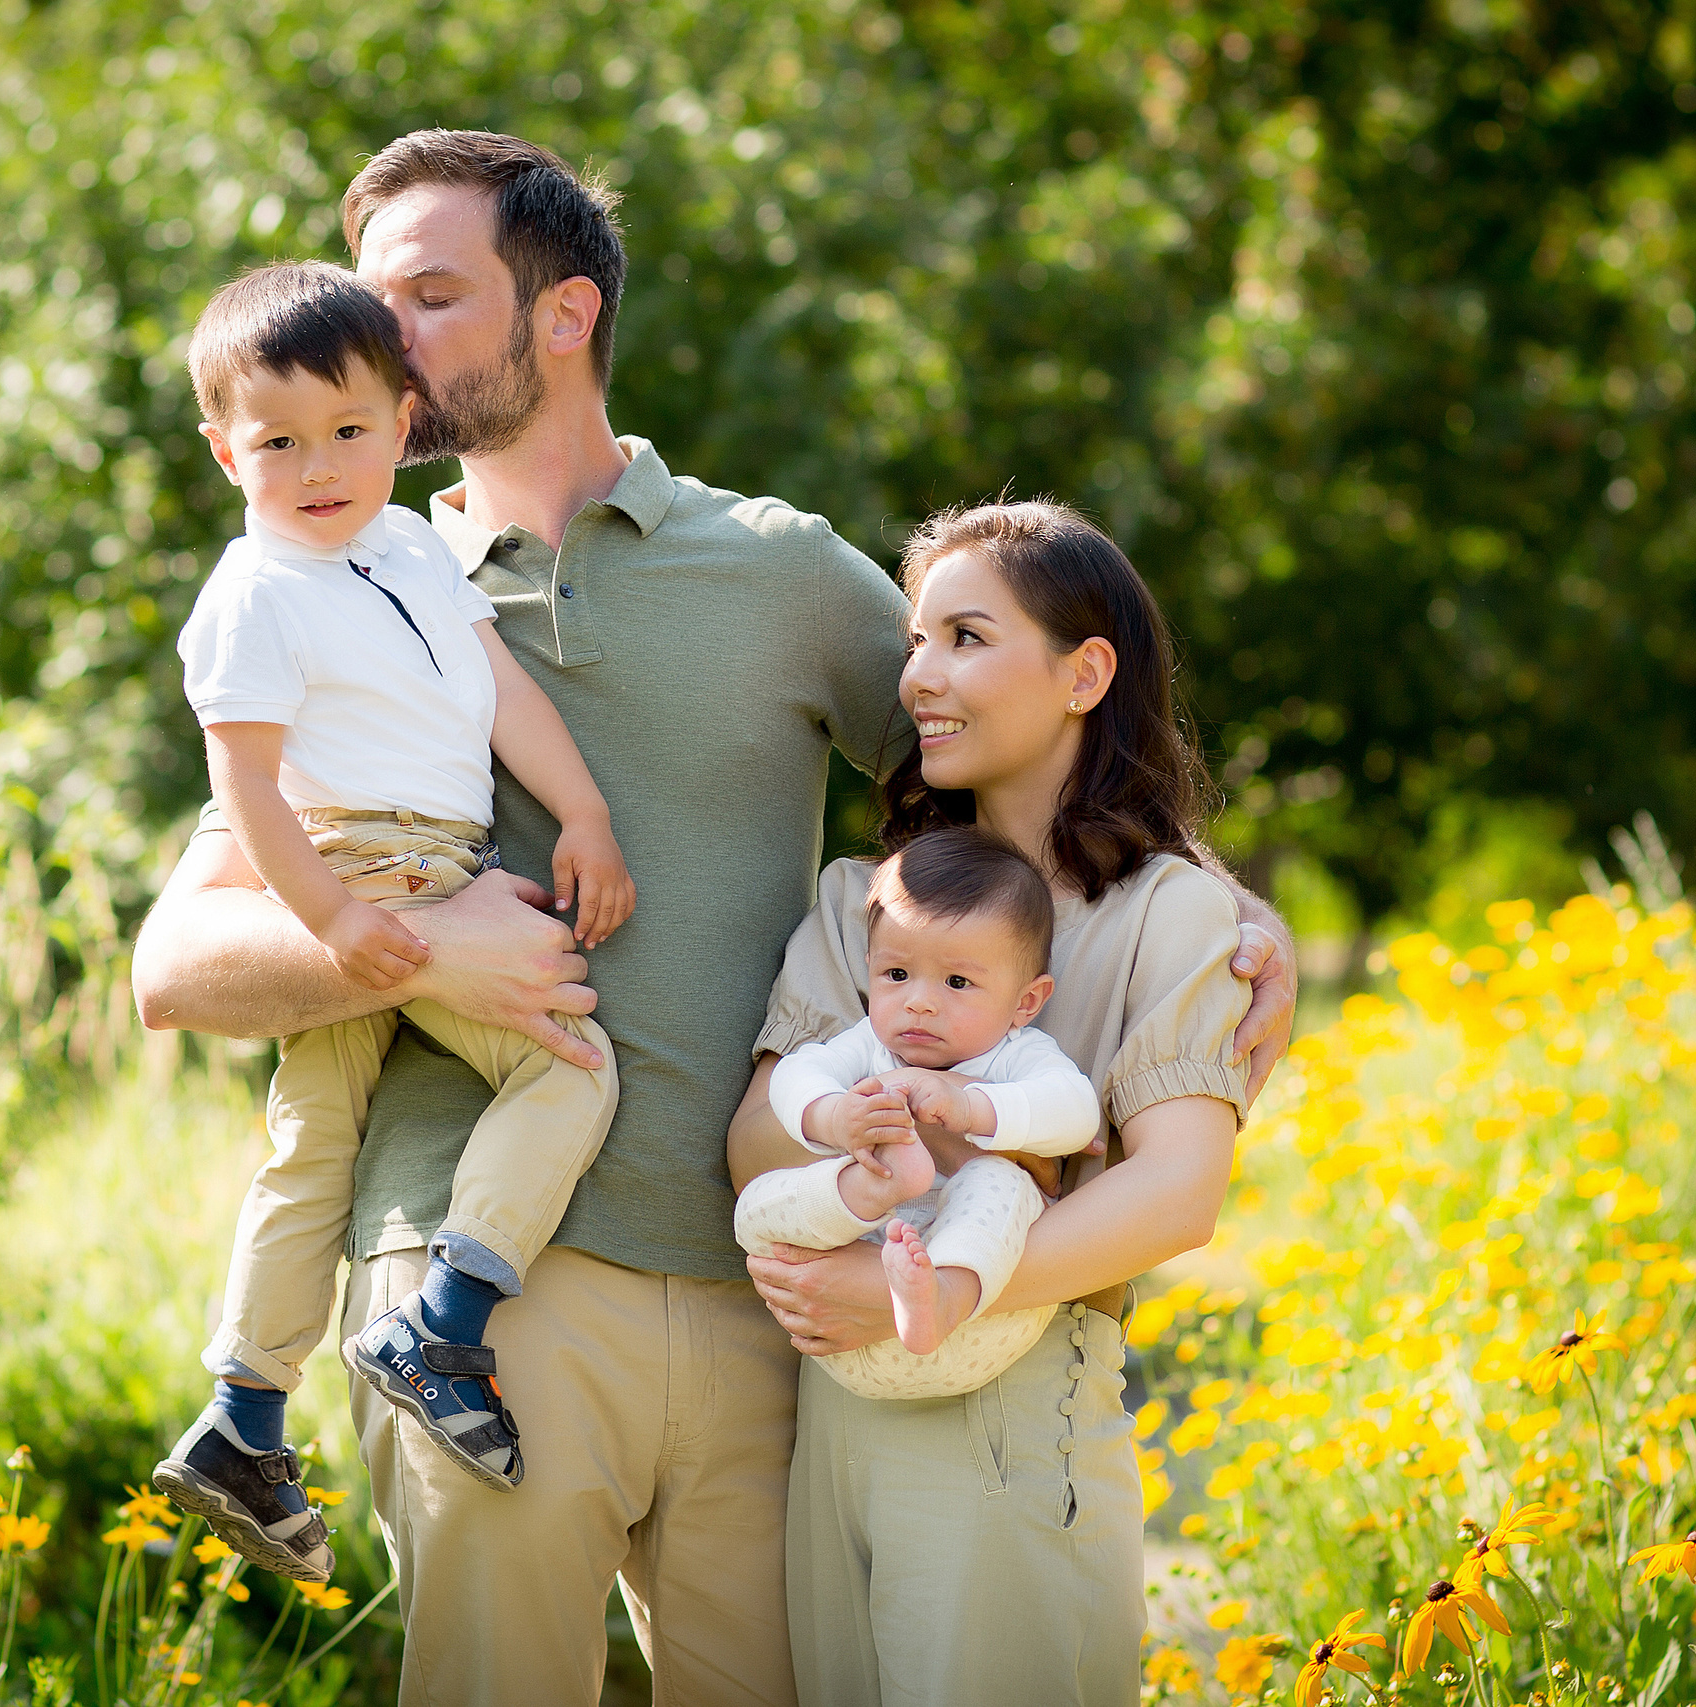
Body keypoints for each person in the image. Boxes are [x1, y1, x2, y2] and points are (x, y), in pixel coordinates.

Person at [131, 129, 1302, 1705]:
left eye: (425, 296)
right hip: (482, 1295)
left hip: (777, 1297)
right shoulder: (350, 593)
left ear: (563, 312)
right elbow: (174, 964)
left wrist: (1220, 891)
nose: (378, 343)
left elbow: (1007, 745)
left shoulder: (779, 570)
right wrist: (412, 943)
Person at [152, 260, 636, 1579]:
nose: (319, 465)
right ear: (223, 449)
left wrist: (583, 811)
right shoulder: (253, 591)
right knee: (569, 1066)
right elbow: (243, 781)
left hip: (427, 859)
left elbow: (500, 695)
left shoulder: (413, 544)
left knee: (313, 1144)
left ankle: (245, 1416)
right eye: (278, 442)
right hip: (361, 871)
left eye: (351, 430)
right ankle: (446, 1319)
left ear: (404, 418)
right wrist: (331, 920)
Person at [732, 501, 1252, 1706]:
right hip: (831, 1419)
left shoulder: (1168, 914)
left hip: (1017, 1413)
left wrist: (917, 1293)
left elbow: (1179, 1193)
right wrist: (840, 1139)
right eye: (915, 642)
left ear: (1084, 674)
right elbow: (752, 1141)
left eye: (965, 636)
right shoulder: (862, 898)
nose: (919, 675)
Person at [733, 826, 1100, 1397]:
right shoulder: (868, 1045)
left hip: (965, 1329)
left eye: (957, 982)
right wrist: (834, 1117)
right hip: (839, 1320)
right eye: (896, 975)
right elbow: (795, 1075)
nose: (919, 1001)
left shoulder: (1014, 1056)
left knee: (1001, 1180)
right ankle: (876, 1187)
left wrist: (970, 1106)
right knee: (758, 1204)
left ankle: (943, 1291)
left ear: (1026, 1002)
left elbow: (1077, 1112)